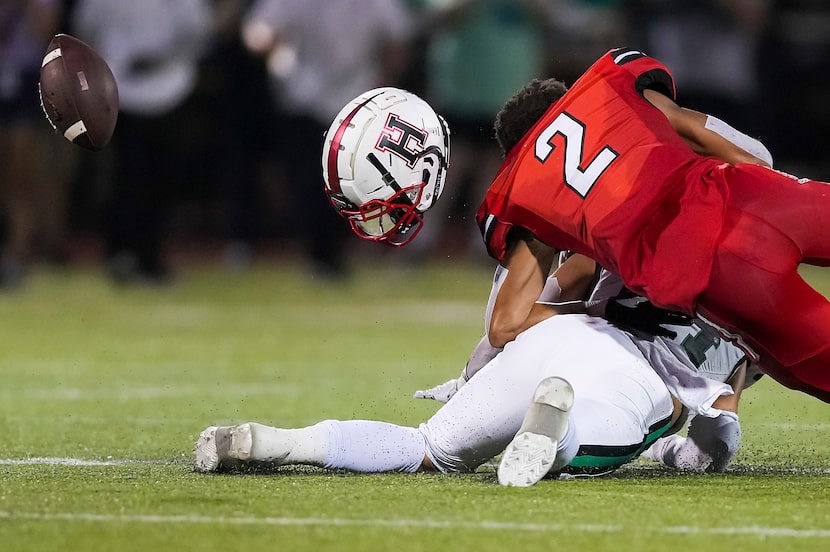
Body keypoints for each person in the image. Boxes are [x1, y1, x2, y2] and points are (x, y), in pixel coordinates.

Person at [194, 253, 749, 486]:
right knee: (584, 439)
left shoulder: (648, 230)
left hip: (563, 334)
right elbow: (716, 435)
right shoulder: (754, 320)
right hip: (634, 379)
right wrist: (675, 450)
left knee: (428, 449)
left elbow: (552, 291)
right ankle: (556, 430)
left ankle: (279, 441)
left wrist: (479, 372)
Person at [477, 46, 830, 403]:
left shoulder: (528, 190)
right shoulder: (606, 90)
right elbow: (751, 155)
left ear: (516, 154)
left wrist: (602, 315)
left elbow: (506, 325)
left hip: (711, 270)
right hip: (752, 194)